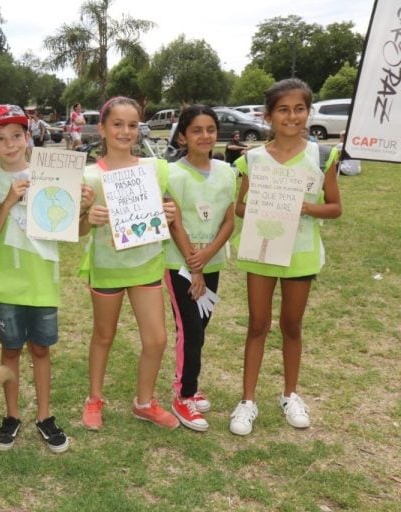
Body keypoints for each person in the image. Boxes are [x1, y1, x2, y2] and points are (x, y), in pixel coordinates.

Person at [0, 104, 94, 453]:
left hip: (43, 277)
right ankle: (12, 416)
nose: (10, 144)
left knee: (41, 348)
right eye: (0, 138)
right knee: (10, 348)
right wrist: (9, 200)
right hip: (6, 280)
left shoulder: (51, 173)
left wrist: (84, 207)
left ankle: (45, 416)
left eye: (16, 135)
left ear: (28, 136)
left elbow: (74, 230)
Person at [230, 78, 342, 436]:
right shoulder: (253, 159)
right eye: (283, 109)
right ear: (268, 116)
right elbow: (241, 208)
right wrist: (266, 208)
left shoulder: (322, 155)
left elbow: (335, 207)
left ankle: (290, 394)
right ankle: (247, 401)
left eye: (299, 108)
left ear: (308, 112)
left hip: (301, 253)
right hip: (262, 251)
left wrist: (305, 207)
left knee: (291, 325)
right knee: (258, 324)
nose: (291, 116)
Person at [79, 96, 179, 431]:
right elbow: (75, 230)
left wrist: (169, 212)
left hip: (146, 264)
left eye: (132, 125)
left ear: (140, 128)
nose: (125, 131)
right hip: (107, 268)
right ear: (103, 128)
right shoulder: (90, 177)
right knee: (103, 336)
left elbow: (166, 210)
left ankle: (144, 402)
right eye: (117, 124)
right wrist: (88, 218)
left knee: (156, 340)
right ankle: (94, 398)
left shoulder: (155, 169)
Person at [163, 105, 236, 432]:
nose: (205, 136)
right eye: (196, 130)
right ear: (183, 136)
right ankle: (184, 395)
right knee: (190, 329)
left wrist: (208, 255)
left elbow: (229, 220)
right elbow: (175, 223)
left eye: (210, 129)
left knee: (199, 328)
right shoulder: (172, 174)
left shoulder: (226, 172)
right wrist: (194, 265)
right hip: (180, 265)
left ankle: (187, 380)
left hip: (211, 261)